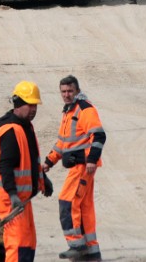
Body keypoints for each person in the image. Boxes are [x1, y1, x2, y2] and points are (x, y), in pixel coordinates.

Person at [0, 81, 53, 262]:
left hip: (23, 199)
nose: (33, 109)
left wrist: (42, 178)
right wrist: (12, 194)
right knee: (18, 245)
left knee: (28, 243)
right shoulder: (11, 131)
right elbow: (5, 167)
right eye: (30, 104)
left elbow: (30, 159)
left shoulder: (25, 126)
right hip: (11, 200)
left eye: (35, 105)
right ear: (18, 104)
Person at [42, 75, 105, 261]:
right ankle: (92, 252)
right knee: (84, 208)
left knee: (67, 202)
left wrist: (92, 160)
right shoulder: (69, 112)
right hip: (79, 166)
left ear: (77, 90)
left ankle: (76, 245)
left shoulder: (84, 109)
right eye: (63, 92)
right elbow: (62, 144)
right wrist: (48, 162)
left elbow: (99, 136)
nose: (66, 95)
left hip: (83, 166)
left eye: (70, 91)